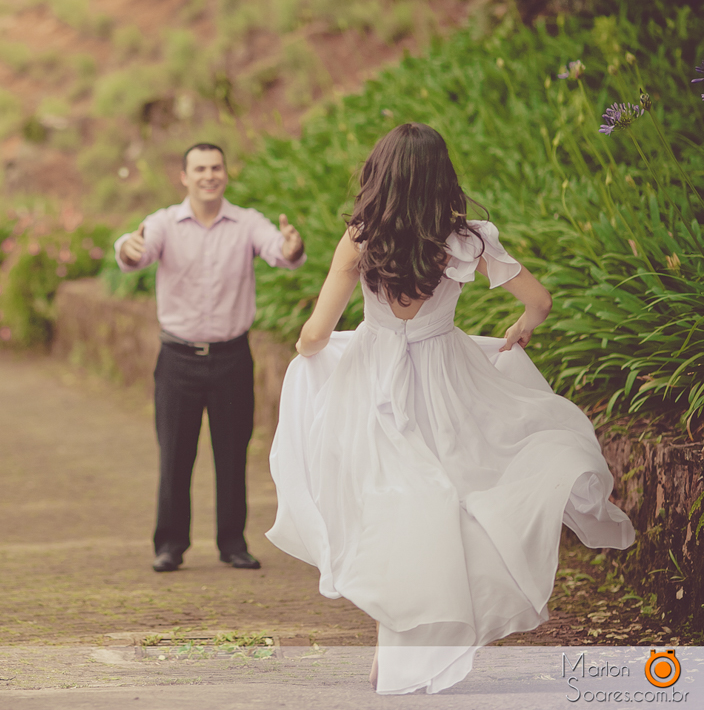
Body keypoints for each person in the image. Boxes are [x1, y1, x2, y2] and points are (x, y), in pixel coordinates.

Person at [265, 122, 634, 694]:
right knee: (455, 501)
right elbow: (539, 300)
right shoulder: (467, 240)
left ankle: (402, 643)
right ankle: (430, 638)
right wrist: (520, 327)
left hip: (375, 381)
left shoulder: (361, 239)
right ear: (443, 177)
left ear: (378, 176)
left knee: (392, 504)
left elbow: (316, 333)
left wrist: (309, 351)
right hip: (447, 378)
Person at [116, 142, 305, 573]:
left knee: (232, 453)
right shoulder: (163, 223)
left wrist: (292, 247)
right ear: (184, 176)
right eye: (199, 168)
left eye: (215, 167)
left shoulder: (247, 223)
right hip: (177, 359)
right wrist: (127, 251)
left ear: (225, 173)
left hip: (232, 358)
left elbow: (281, 253)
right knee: (175, 455)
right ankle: (170, 545)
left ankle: (232, 543)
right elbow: (135, 252)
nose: (208, 175)